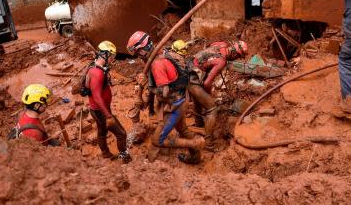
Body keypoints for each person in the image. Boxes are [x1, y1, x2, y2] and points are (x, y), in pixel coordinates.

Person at [127, 31, 204, 164]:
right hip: (181, 99)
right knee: (183, 130)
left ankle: (196, 143)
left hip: (175, 105)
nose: (139, 57)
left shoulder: (157, 64)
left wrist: (147, 85)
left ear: (143, 49)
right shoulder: (162, 53)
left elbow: (165, 92)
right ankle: (195, 157)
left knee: (157, 140)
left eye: (138, 53)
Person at [188, 40, 247, 151]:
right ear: (234, 53)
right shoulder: (222, 61)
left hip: (188, 69)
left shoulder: (221, 44)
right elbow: (207, 83)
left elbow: (209, 47)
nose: (236, 59)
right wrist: (209, 96)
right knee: (212, 108)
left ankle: (199, 125)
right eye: (238, 57)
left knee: (198, 100)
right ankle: (208, 143)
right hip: (192, 77)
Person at [84, 41, 131, 163]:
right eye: (112, 56)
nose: (113, 59)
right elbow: (97, 96)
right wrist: (108, 115)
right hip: (101, 110)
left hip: (97, 109)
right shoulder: (97, 73)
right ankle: (124, 158)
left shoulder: (95, 66)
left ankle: (105, 153)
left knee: (102, 131)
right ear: (106, 55)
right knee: (121, 134)